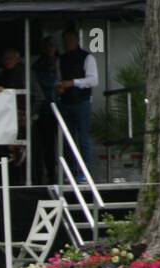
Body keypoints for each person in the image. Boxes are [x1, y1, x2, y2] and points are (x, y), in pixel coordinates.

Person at [56, 27, 99, 179]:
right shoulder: (61, 59)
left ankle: (84, 172)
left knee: (83, 138)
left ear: (76, 40)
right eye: (65, 41)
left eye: (70, 40)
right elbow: (59, 77)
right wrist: (61, 86)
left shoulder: (87, 57)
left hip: (82, 102)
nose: (68, 43)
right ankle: (72, 171)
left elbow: (93, 80)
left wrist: (73, 83)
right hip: (66, 102)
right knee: (68, 139)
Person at [32, 37, 60, 183]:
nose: (50, 49)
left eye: (52, 46)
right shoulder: (38, 66)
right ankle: (48, 175)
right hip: (44, 110)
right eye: (47, 46)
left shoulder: (60, 62)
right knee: (46, 145)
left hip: (61, 108)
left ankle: (62, 173)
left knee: (61, 143)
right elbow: (43, 87)